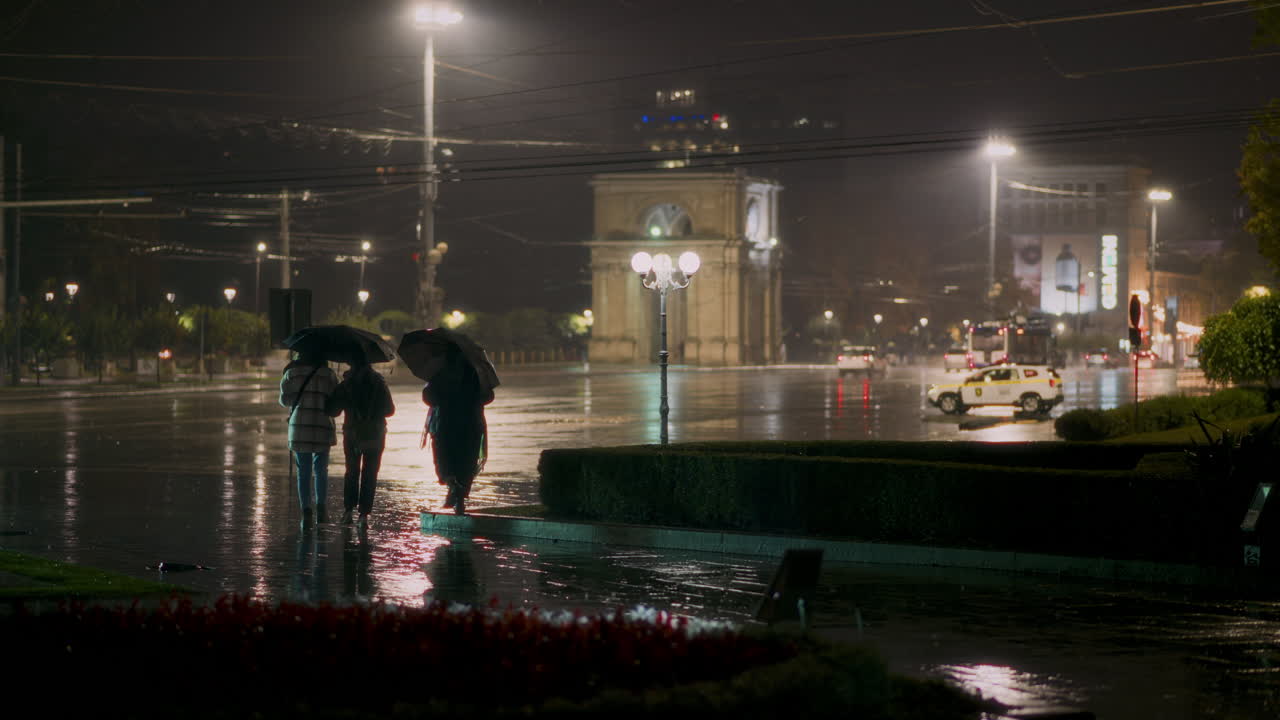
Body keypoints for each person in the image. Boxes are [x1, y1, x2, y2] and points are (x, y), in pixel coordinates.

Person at [422, 345, 494, 515]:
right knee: (467, 462)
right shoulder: (476, 374)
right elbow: (488, 397)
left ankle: (452, 484)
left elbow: (429, 398)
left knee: (445, 460)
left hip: (444, 425)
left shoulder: (439, 375)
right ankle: (460, 498)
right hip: (471, 424)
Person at [327, 358, 395, 528]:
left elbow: (332, 410)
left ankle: (348, 512)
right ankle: (364, 516)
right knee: (370, 473)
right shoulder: (379, 382)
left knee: (352, 471)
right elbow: (389, 410)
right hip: (375, 434)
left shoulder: (346, 384)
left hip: (352, 434)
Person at [279, 351, 339, 528]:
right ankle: (321, 509)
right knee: (321, 469)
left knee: (303, 472)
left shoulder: (291, 374)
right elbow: (335, 399)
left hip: (300, 428)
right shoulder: (328, 375)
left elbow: (284, 400)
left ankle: (306, 512)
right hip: (322, 425)